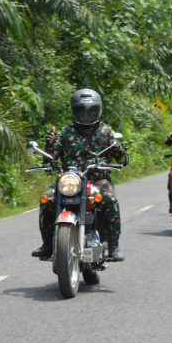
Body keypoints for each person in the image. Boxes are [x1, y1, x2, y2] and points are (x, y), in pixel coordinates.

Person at [31, 88, 129, 261]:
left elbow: (124, 160)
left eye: (90, 111)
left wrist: (118, 148)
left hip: (98, 180)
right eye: (81, 111)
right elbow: (49, 161)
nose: (86, 115)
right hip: (70, 181)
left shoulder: (106, 132)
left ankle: (113, 246)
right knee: (47, 199)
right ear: (74, 111)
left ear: (98, 110)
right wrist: (49, 145)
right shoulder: (66, 132)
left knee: (109, 199)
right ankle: (47, 244)